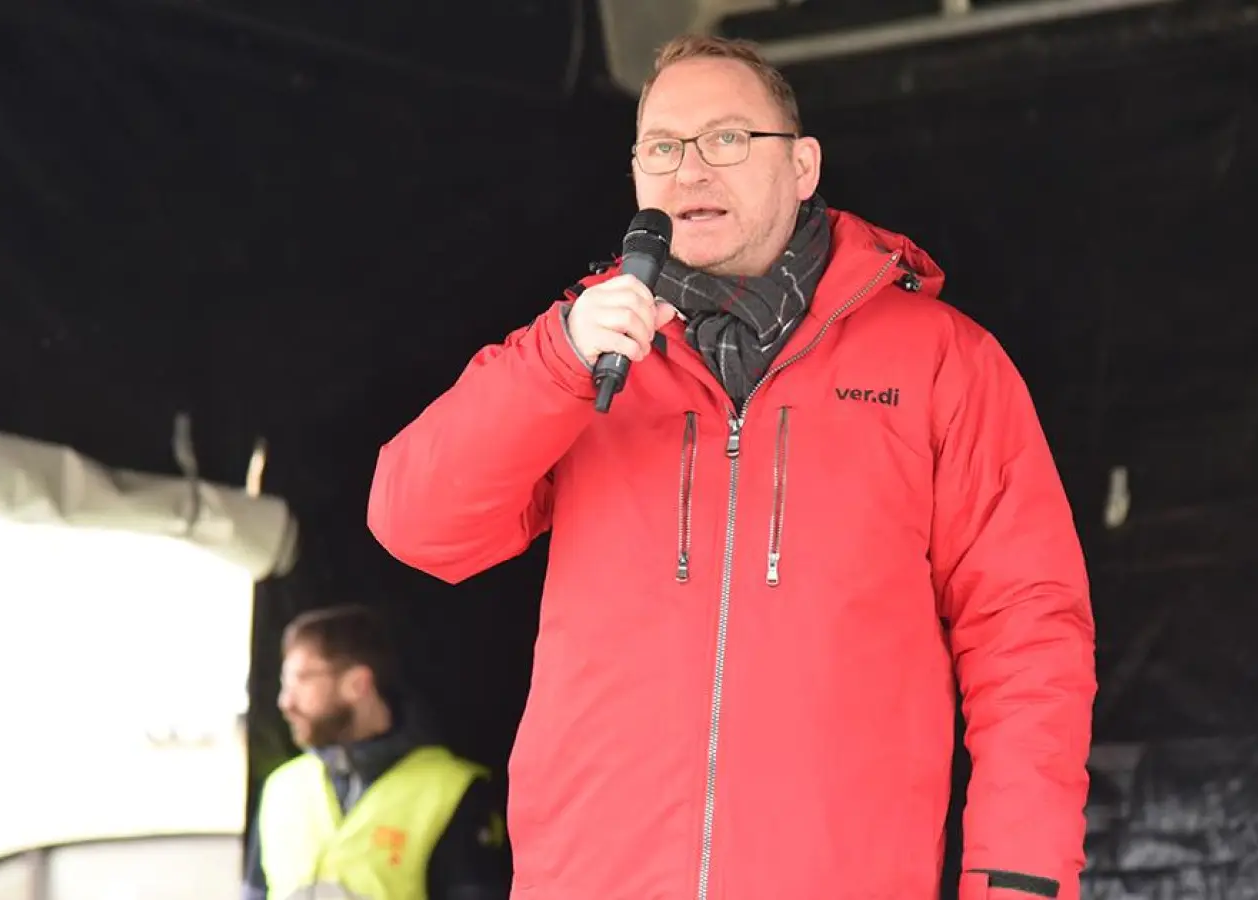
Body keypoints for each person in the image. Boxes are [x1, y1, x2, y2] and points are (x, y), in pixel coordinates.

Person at [368, 34, 1096, 900]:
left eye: (725, 139)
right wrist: (556, 360)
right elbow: (416, 526)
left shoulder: (943, 361)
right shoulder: (584, 354)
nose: (689, 172)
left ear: (802, 167)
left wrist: (1017, 879)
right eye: (662, 148)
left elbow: (1027, 633)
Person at [242, 605, 511, 900]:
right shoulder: (281, 787)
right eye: (285, 682)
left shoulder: (454, 790)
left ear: (358, 684)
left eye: (302, 679)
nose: (285, 701)